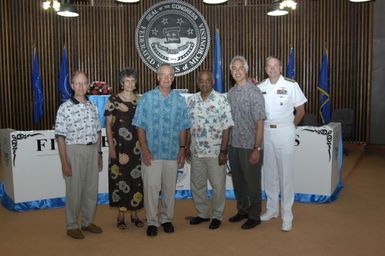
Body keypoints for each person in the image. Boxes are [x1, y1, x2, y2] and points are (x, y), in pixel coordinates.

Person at [132, 63, 190, 237]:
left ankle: (166, 219)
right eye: (163, 75)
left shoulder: (179, 100)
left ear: (173, 78)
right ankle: (152, 221)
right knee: (151, 189)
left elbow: (183, 128)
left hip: (172, 153)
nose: (166, 78)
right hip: (152, 153)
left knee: (169, 189)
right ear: (157, 77)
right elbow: (139, 126)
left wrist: (182, 150)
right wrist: (145, 149)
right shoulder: (147, 99)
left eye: (169, 75)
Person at [258, 56, 307, 232]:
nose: (272, 69)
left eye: (275, 66)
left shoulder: (291, 85)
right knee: (269, 174)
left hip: (285, 130)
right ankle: (272, 210)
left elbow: (301, 110)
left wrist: (291, 128)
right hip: (266, 132)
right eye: (269, 66)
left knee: (285, 175)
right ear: (265, 69)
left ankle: (287, 215)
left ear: (280, 68)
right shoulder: (260, 87)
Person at [55, 71, 103, 239]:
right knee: (74, 191)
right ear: (72, 85)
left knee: (91, 189)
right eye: (77, 83)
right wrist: (64, 163)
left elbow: (98, 132)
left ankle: (87, 222)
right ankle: (72, 225)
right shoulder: (65, 108)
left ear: (89, 84)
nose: (81, 87)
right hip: (74, 151)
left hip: (91, 151)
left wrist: (98, 153)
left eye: (84, 83)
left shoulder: (93, 107)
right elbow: (60, 137)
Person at [187, 70, 234, 230]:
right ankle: (202, 213)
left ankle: (217, 216)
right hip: (197, 151)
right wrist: (186, 146)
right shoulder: (192, 100)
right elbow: (189, 126)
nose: (204, 83)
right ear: (197, 82)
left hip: (215, 152)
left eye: (207, 80)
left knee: (218, 186)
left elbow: (227, 127)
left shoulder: (221, 100)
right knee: (197, 184)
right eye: (201, 80)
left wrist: (223, 151)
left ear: (212, 82)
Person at [227, 56, 266, 230]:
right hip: (234, 145)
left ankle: (254, 215)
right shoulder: (231, 93)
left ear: (246, 70)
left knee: (253, 183)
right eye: (234, 68)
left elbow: (260, 122)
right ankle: (242, 210)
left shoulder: (254, 92)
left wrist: (257, 148)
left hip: (250, 146)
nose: (237, 71)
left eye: (240, 67)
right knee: (239, 182)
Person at [104, 68, 144, 230]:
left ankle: (135, 215)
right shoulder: (113, 100)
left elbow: (143, 125)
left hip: (136, 149)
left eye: (132, 81)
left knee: (136, 181)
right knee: (119, 181)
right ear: (122, 83)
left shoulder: (139, 101)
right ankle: (120, 217)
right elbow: (107, 125)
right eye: (127, 80)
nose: (130, 83)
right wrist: (111, 148)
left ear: (135, 84)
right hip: (119, 148)